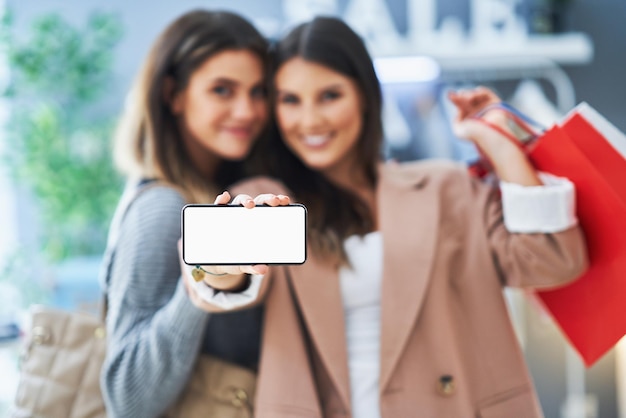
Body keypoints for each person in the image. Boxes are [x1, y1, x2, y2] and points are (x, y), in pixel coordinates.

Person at [180, 16, 588, 418]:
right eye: (290, 100)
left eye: (329, 95)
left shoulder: (445, 188)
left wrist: (496, 142)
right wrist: (217, 265)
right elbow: (217, 280)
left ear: (364, 96)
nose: (310, 120)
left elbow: (551, 258)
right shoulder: (265, 198)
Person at [100, 9, 275, 418]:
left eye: (258, 91)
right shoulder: (164, 209)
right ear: (172, 94)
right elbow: (126, 397)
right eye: (222, 90)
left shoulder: (222, 194)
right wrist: (199, 288)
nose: (247, 110)